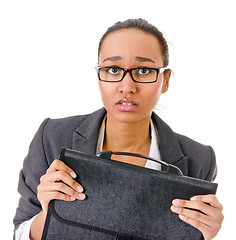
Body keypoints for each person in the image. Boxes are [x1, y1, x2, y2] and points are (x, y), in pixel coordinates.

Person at [13, 18, 224, 240]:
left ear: (165, 80)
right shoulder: (52, 137)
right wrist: (49, 212)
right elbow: (19, 233)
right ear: (99, 76)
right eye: (113, 69)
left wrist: (203, 236)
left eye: (143, 70)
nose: (127, 87)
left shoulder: (199, 159)